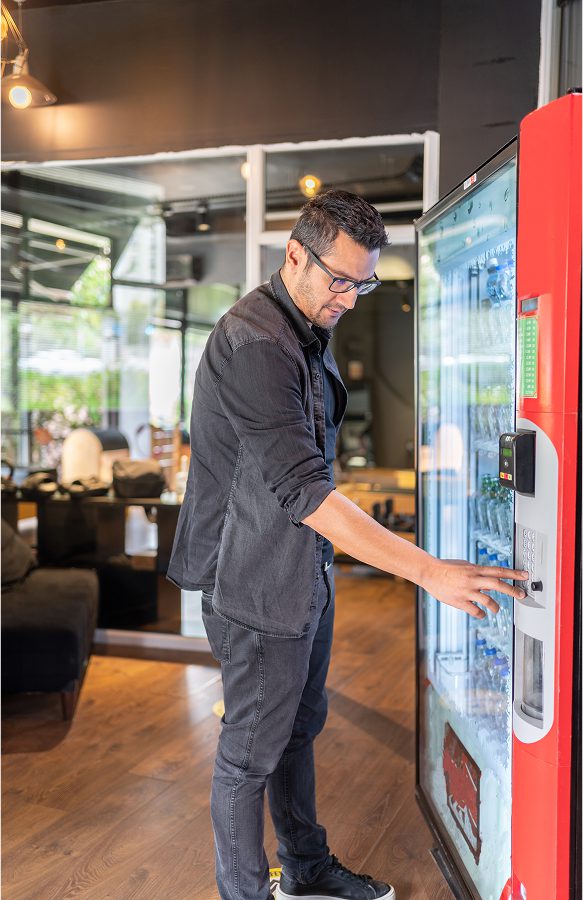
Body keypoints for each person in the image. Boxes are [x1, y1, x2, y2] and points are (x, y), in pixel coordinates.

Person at [166, 190, 528, 900]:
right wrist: (426, 571)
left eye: (362, 283)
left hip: (302, 570)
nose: (351, 298)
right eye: (340, 279)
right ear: (293, 255)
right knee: (248, 754)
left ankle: (304, 870)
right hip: (253, 581)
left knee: (297, 730)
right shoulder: (253, 342)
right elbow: (304, 489)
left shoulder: (303, 327)